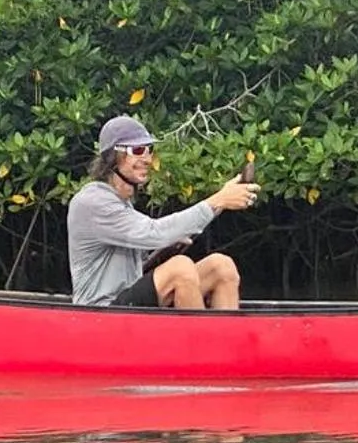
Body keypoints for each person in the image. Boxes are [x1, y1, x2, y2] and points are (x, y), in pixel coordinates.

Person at [66, 115, 259, 308]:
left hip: (128, 304)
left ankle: (225, 337)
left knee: (221, 266)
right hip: (100, 313)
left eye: (149, 150)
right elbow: (154, 232)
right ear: (112, 157)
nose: (147, 159)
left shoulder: (123, 204)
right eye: (138, 150)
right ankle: (201, 338)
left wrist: (219, 203)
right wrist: (219, 199)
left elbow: (145, 248)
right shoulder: (93, 201)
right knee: (180, 269)